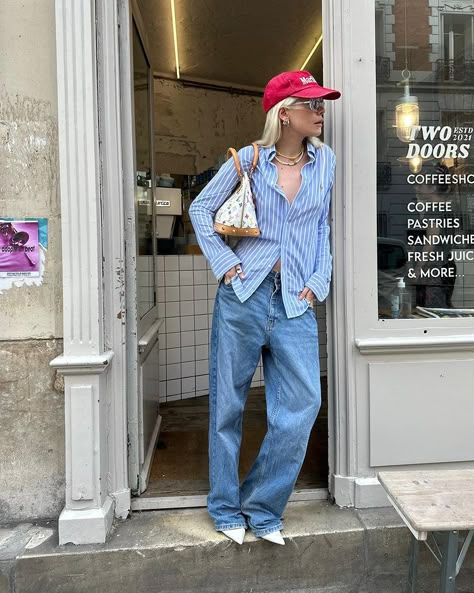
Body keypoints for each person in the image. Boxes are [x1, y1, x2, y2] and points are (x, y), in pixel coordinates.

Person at [189, 70, 341, 546]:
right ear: (285, 113)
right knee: (228, 407)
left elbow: (322, 227)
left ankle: (263, 507)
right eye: (311, 104)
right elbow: (201, 210)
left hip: (297, 299)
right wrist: (227, 268)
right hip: (245, 296)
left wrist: (319, 282)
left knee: (302, 404)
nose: (320, 111)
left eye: (321, 104)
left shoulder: (326, 162)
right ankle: (225, 509)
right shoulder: (250, 161)